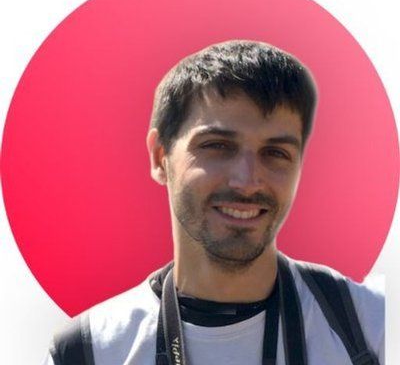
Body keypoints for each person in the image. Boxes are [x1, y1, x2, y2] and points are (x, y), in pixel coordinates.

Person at [42, 40, 384, 365]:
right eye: (217, 146)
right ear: (160, 157)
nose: (247, 181)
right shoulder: (89, 351)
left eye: (275, 152)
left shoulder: (372, 325)